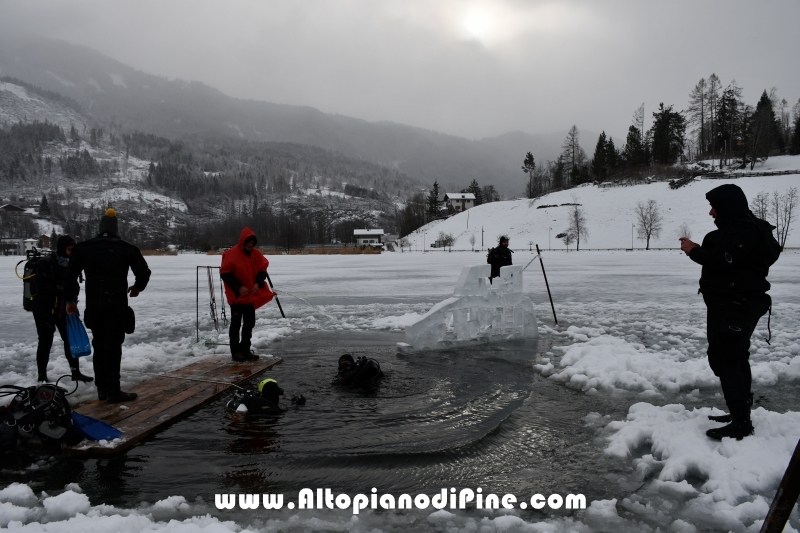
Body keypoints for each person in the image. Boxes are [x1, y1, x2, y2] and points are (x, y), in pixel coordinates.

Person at [679, 184, 780, 440]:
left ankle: (741, 421)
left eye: (714, 206)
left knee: (728, 359)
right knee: (731, 357)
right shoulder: (739, 230)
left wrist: (694, 251)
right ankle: (740, 413)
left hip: (737, 305)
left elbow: (724, 261)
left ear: (727, 206)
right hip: (729, 304)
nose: (711, 212)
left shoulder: (746, 231)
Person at [64, 208, 151, 403]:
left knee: (99, 344)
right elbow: (144, 272)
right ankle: (113, 391)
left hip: (94, 305)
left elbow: (69, 276)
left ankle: (102, 389)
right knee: (113, 347)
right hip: (117, 305)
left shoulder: (84, 248)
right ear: (116, 229)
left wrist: (70, 301)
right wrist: (137, 288)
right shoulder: (127, 248)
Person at [32, 236, 93, 383]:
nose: (72, 253)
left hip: (64, 308)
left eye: (74, 250)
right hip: (45, 310)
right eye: (69, 249)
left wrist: (72, 299)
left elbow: (75, 286)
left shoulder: (72, 264)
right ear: (62, 248)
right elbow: (42, 288)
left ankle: (75, 372)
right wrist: (65, 293)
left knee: (69, 340)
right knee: (45, 341)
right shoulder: (46, 264)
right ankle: (41, 375)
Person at [220, 228, 274, 362]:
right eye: (248, 242)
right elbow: (225, 274)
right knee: (236, 325)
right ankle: (236, 352)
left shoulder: (255, 254)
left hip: (250, 296)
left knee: (249, 323)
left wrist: (257, 283)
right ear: (242, 241)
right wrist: (239, 287)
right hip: (237, 298)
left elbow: (262, 271)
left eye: (252, 242)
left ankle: (245, 349)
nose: (250, 245)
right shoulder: (231, 254)